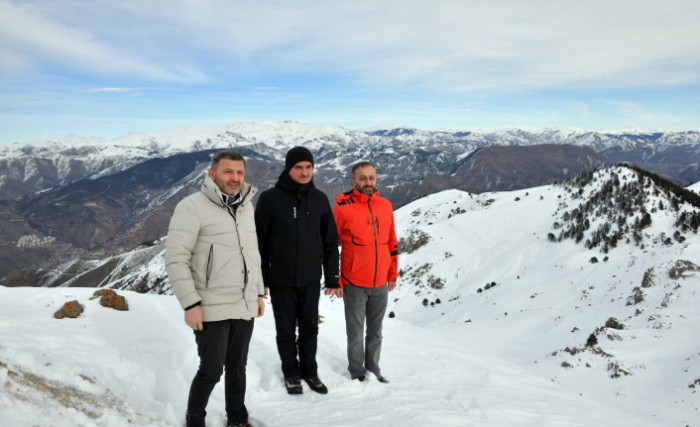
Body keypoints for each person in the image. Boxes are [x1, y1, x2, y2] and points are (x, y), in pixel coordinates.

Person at [165, 150, 265, 427]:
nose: (235, 178)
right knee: (211, 371)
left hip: (243, 303)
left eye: (240, 173)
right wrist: (190, 304)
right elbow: (175, 258)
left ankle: (237, 418)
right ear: (212, 175)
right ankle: (194, 420)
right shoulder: (192, 206)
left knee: (237, 368)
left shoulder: (247, 206)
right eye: (228, 172)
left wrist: (257, 292)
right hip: (210, 305)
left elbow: (252, 252)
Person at [255, 146, 339, 395]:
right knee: (284, 329)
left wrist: (332, 276)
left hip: (311, 277)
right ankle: (291, 372)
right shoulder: (270, 199)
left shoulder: (320, 199)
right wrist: (262, 280)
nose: (304, 172)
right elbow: (258, 242)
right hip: (281, 279)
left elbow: (330, 241)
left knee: (310, 327)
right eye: (298, 167)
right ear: (288, 169)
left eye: (308, 167)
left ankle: (310, 372)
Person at [331, 161, 398, 383]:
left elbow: (392, 242)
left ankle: (373, 368)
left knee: (376, 333)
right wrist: (336, 280)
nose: (367, 182)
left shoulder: (385, 205)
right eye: (362, 178)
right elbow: (330, 245)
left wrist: (392, 274)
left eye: (371, 177)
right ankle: (357, 373)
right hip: (353, 283)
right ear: (353, 181)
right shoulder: (343, 207)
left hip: (380, 283)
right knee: (356, 333)